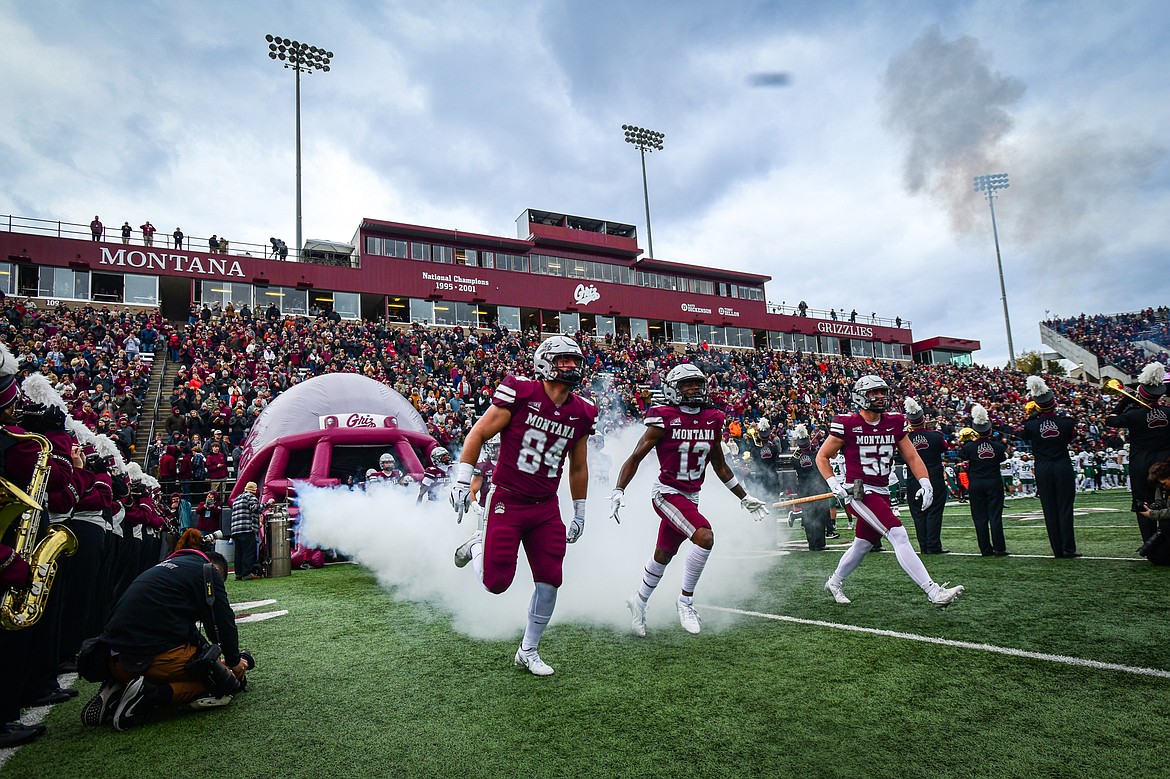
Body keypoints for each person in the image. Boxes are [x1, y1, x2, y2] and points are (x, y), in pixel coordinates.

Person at [449, 335, 596, 676]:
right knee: (496, 583)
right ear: (545, 362)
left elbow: (578, 465)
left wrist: (581, 509)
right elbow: (479, 433)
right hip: (508, 499)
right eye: (563, 360)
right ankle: (475, 547)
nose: (571, 366)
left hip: (546, 506)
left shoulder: (582, 411)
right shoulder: (520, 391)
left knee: (550, 578)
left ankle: (528, 650)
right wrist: (461, 479)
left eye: (574, 360)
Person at [611, 364, 769, 636]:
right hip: (666, 493)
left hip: (690, 497)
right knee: (704, 537)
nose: (694, 388)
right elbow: (636, 457)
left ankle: (638, 602)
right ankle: (685, 601)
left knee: (663, 555)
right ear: (673, 389)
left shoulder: (713, 418)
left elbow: (719, 466)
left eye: (698, 383)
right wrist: (619, 489)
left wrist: (744, 497)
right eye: (687, 384)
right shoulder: (663, 418)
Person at [820, 375, 964, 607]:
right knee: (898, 534)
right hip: (859, 491)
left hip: (882, 490)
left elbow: (912, 456)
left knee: (863, 544)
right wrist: (833, 483)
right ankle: (933, 591)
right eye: (873, 393)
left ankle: (834, 582)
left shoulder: (894, 421)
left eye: (881, 392)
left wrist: (925, 482)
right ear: (860, 396)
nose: (879, 397)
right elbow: (822, 456)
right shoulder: (847, 423)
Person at [84, 546, 248, 731]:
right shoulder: (208, 572)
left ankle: (119, 688)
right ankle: (147, 694)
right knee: (219, 681)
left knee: (204, 662)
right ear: (218, 572)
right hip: (147, 659)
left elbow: (187, 633)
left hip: (113, 660)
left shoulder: (164, 570)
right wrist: (234, 662)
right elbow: (223, 622)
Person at [1105, 362, 1170, 545]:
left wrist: (1126, 400)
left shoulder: (1133, 415)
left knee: (1143, 502)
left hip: (1141, 463)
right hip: (1166, 462)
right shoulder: (1168, 412)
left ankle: (1151, 545)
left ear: (1141, 396)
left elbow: (1110, 420)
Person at [1017, 376, 1079, 558]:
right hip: (1062, 465)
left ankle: (1057, 549)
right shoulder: (1067, 423)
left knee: (1049, 508)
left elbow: (1022, 433)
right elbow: (1069, 438)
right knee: (1065, 507)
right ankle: (1069, 547)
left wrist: (1034, 416)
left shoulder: (1031, 424)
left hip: (1043, 467)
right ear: (1054, 403)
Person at [958, 404, 1009, 556]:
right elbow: (1001, 458)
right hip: (993, 482)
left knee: (979, 517)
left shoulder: (968, 447)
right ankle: (999, 548)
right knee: (995, 516)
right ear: (990, 430)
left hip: (976, 483)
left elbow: (962, 456)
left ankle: (985, 549)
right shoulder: (999, 447)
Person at [904, 397, 949, 554]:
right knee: (935, 512)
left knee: (918, 513)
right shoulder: (936, 435)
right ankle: (933, 545)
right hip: (934, 477)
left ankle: (923, 546)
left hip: (913, 479)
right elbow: (944, 447)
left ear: (909, 422)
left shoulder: (905, 439)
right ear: (923, 419)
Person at [790, 423, 831, 550]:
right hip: (818, 489)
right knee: (820, 516)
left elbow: (797, 462)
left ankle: (812, 544)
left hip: (804, 489)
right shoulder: (817, 455)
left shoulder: (795, 459)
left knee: (808, 517)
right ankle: (819, 543)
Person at [1136, 460, 1170, 564]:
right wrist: (1151, 507)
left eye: (1164, 483)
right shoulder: (1161, 489)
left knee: (1166, 524)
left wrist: (1152, 514)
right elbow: (1159, 502)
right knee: (1157, 558)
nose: (1163, 486)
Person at [230, 482, 261, 580]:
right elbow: (256, 508)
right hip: (247, 529)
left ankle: (238, 574)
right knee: (248, 552)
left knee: (238, 553)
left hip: (235, 530)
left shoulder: (237, 499)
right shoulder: (250, 497)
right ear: (254, 490)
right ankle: (247, 574)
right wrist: (268, 503)